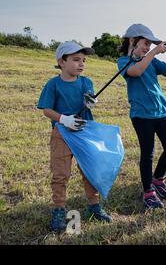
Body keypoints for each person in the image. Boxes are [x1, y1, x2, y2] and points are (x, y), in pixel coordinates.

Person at [37, 41, 113, 233]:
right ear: (61, 62)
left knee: (89, 171)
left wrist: (91, 102)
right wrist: (64, 119)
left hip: (84, 133)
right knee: (60, 174)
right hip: (61, 134)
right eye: (76, 59)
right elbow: (46, 109)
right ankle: (59, 211)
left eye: (83, 60)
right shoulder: (53, 84)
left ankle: (94, 207)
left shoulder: (86, 82)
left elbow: (89, 100)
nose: (81, 64)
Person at [117, 24, 166, 209]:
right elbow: (136, 72)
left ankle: (158, 179)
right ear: (132, 40)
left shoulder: (151, 62)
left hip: (161, 111)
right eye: (145, 43)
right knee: (148, 154)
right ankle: (148, 192)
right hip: (141, 115)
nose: (147, 47)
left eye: (149, 44)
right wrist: (153, 52)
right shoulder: (123, 62)